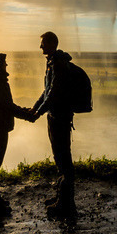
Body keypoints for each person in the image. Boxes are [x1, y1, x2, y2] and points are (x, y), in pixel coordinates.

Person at [31, 31, 80, 220]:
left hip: (59, 116)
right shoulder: (52, 62)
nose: (40, 46)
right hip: (55, 115)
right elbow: (47, 91)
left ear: (52, 43)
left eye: (43, 43)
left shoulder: (58, 64)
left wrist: (38, 112)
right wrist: (36, 108)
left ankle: (67, 205)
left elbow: (53, 93)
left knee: (63, 158)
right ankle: (62, 196)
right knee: (59, 157)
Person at [0, 51, 34, 216]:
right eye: (4, 62)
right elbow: (8, 106)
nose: (6, 65)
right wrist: (27, 115)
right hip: (0, 126)